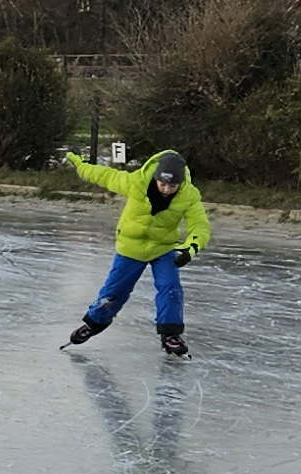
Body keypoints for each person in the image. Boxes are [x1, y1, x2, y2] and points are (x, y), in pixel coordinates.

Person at [58, 142, 211, 358]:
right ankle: (93, 323)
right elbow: (103, 175)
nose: (166, 189)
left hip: (163, 248)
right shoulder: (135, 182)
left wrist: (190, 248)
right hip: (130, 247)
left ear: (181, 183)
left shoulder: (189, 196)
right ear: (156, 177)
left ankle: (170, 334)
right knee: (114, 292)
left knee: (171, 288)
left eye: (172, 186)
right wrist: (80, 164)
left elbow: (200, 226)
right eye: (162, 184)